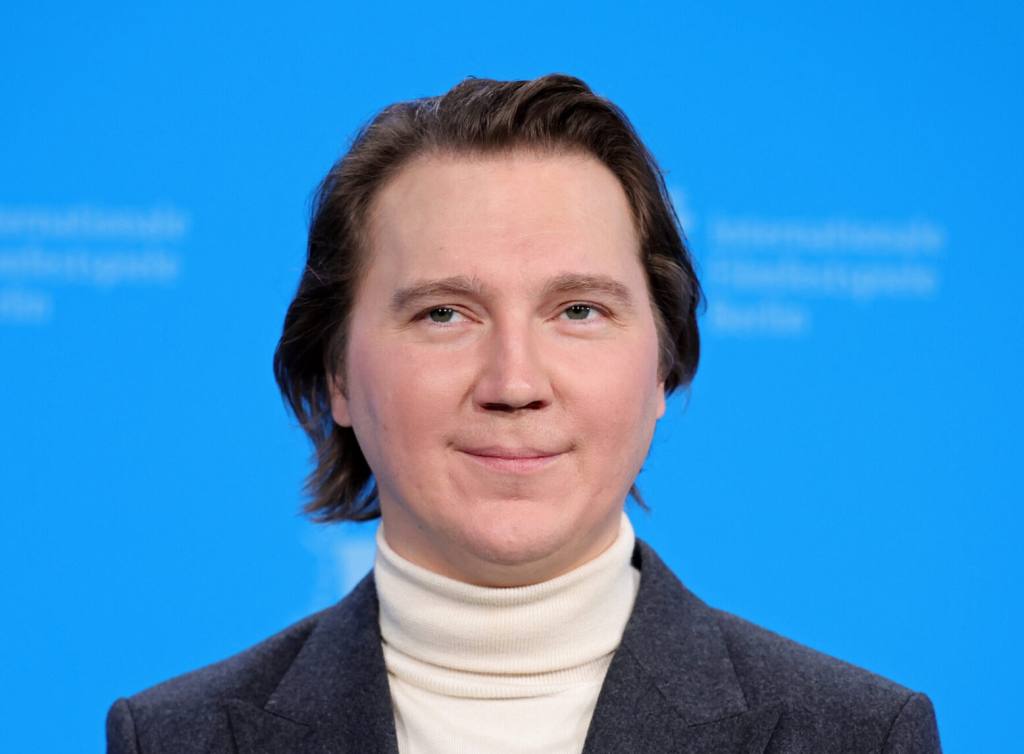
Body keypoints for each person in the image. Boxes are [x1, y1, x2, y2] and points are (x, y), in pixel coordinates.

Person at [106, 74, 942, 753]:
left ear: (663, 365)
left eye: (578, 310)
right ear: (336, 377)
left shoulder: (857, 735)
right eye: (443, 314)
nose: (514, 382)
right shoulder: (178, 737)